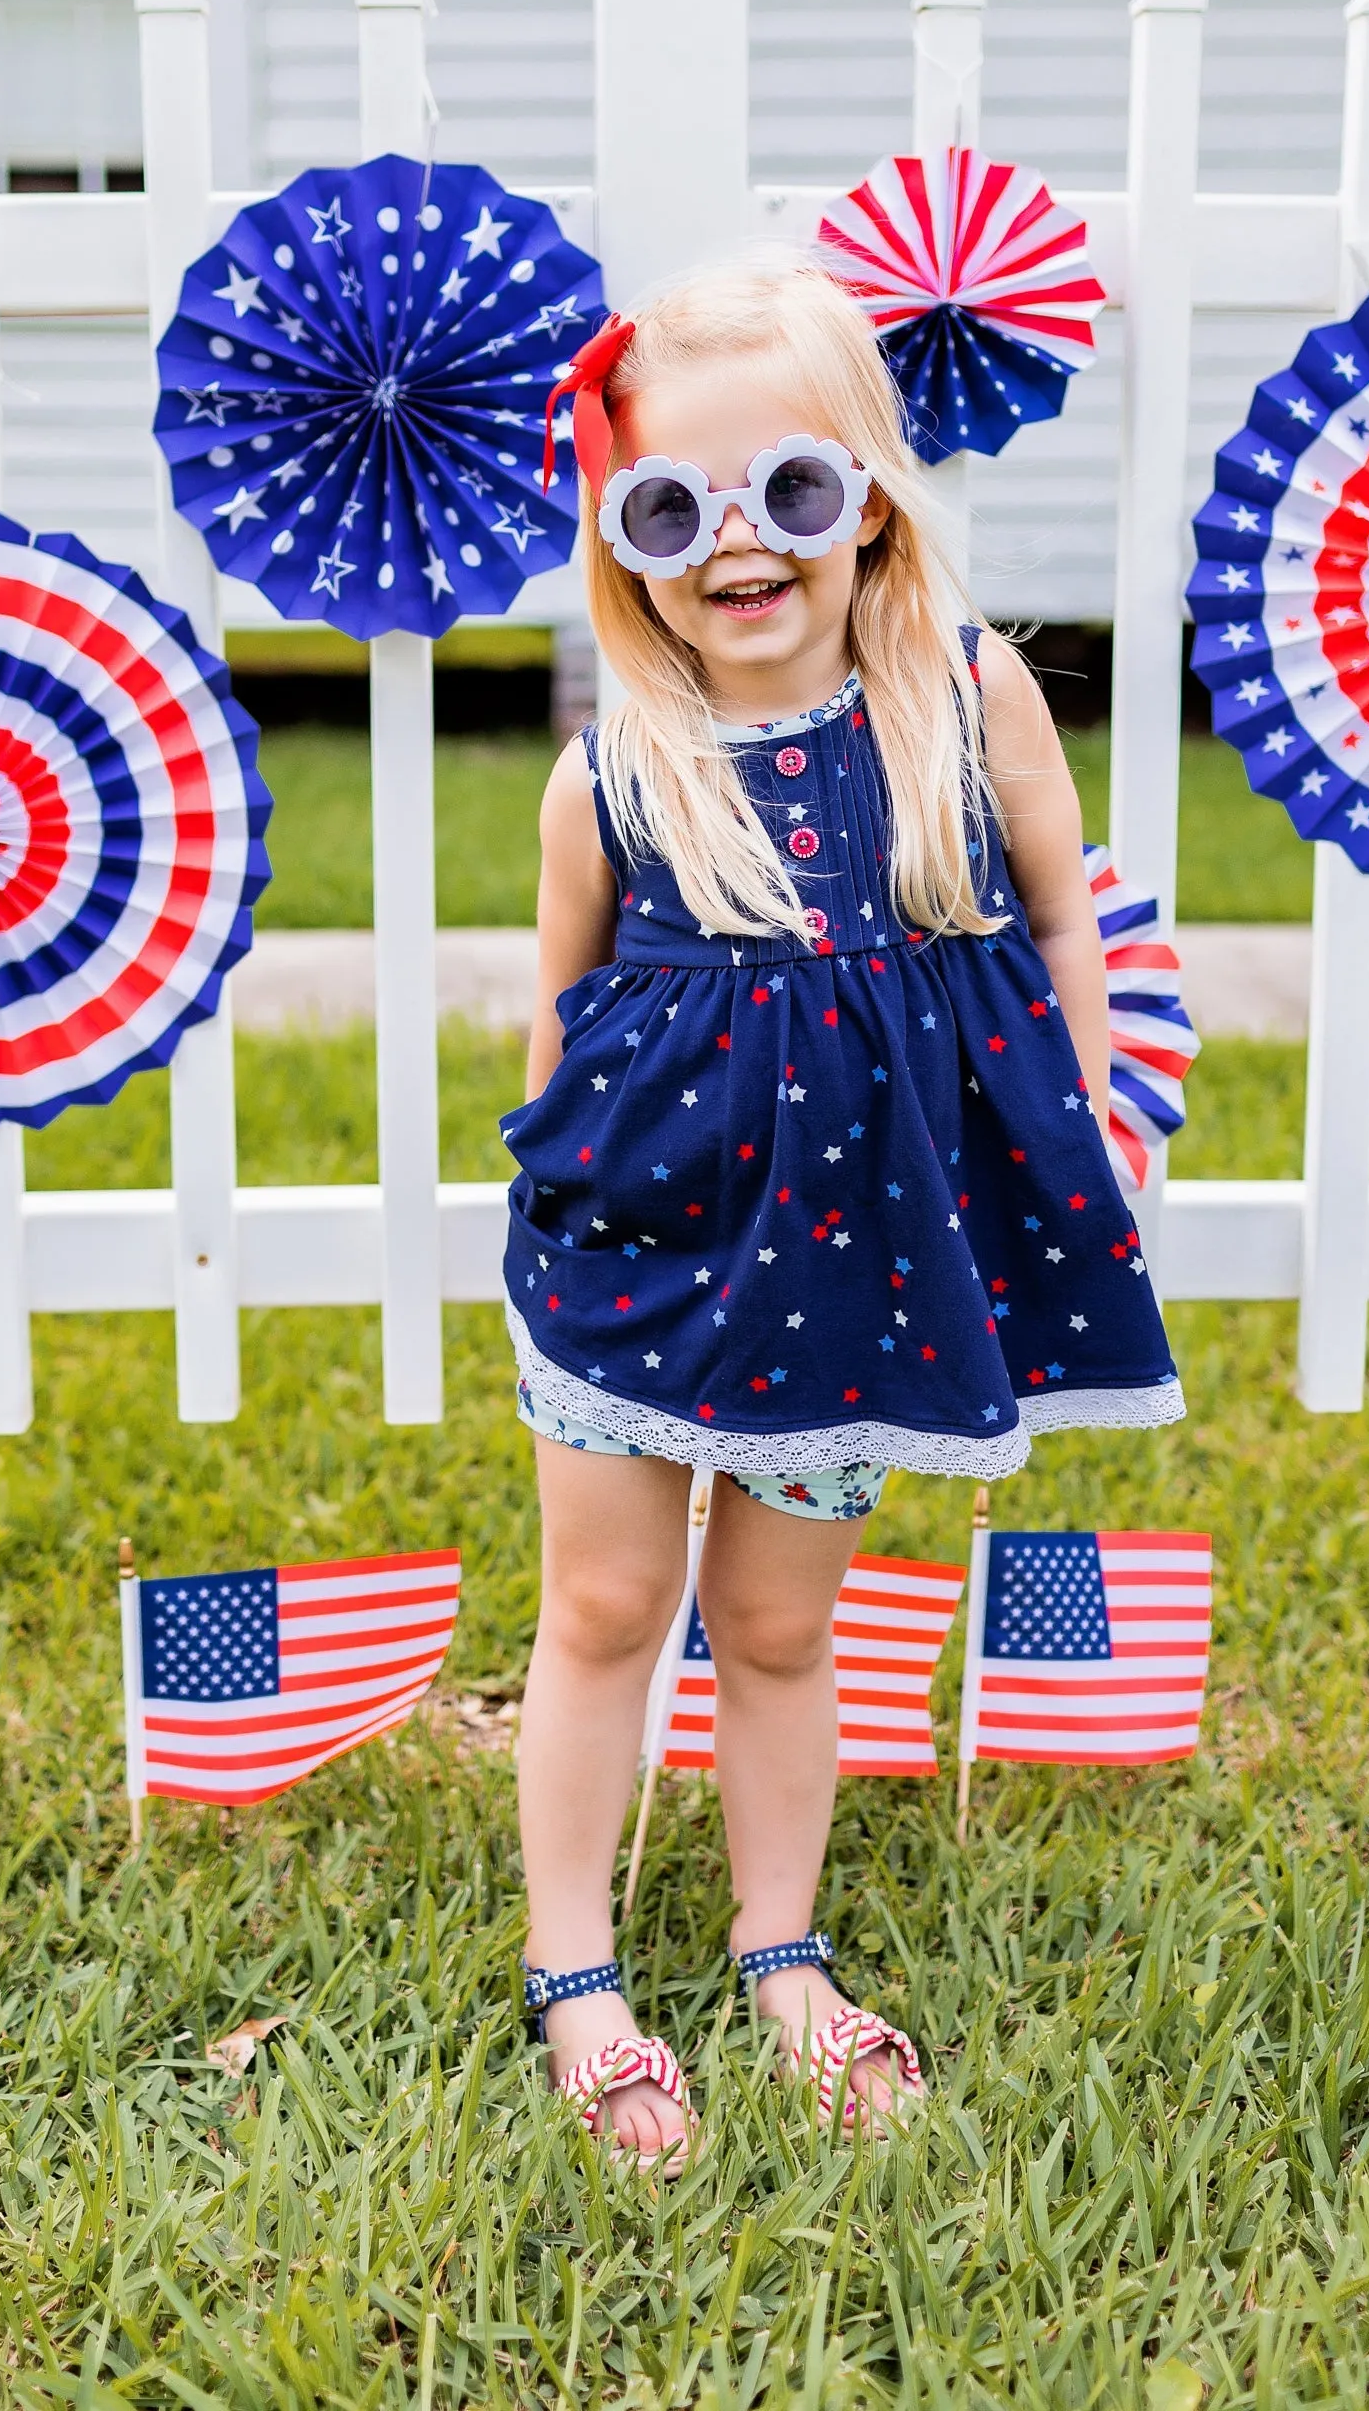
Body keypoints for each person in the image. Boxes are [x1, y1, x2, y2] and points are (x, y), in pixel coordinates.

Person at [502, 259, 1182, 2164]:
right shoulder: (609, 769)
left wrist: (1092, 1105)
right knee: (613, 1595)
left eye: (789, 494)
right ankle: (577, 1972)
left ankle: (775, 1945)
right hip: (641, 1244)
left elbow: (1061, 911)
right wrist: (584, 1166)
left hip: (863, 1260)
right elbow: (562, 1000)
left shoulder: (964, 709)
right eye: (673, 510)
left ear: (869, 493)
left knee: (785, 1625)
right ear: (623, 543)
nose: (741, 550)